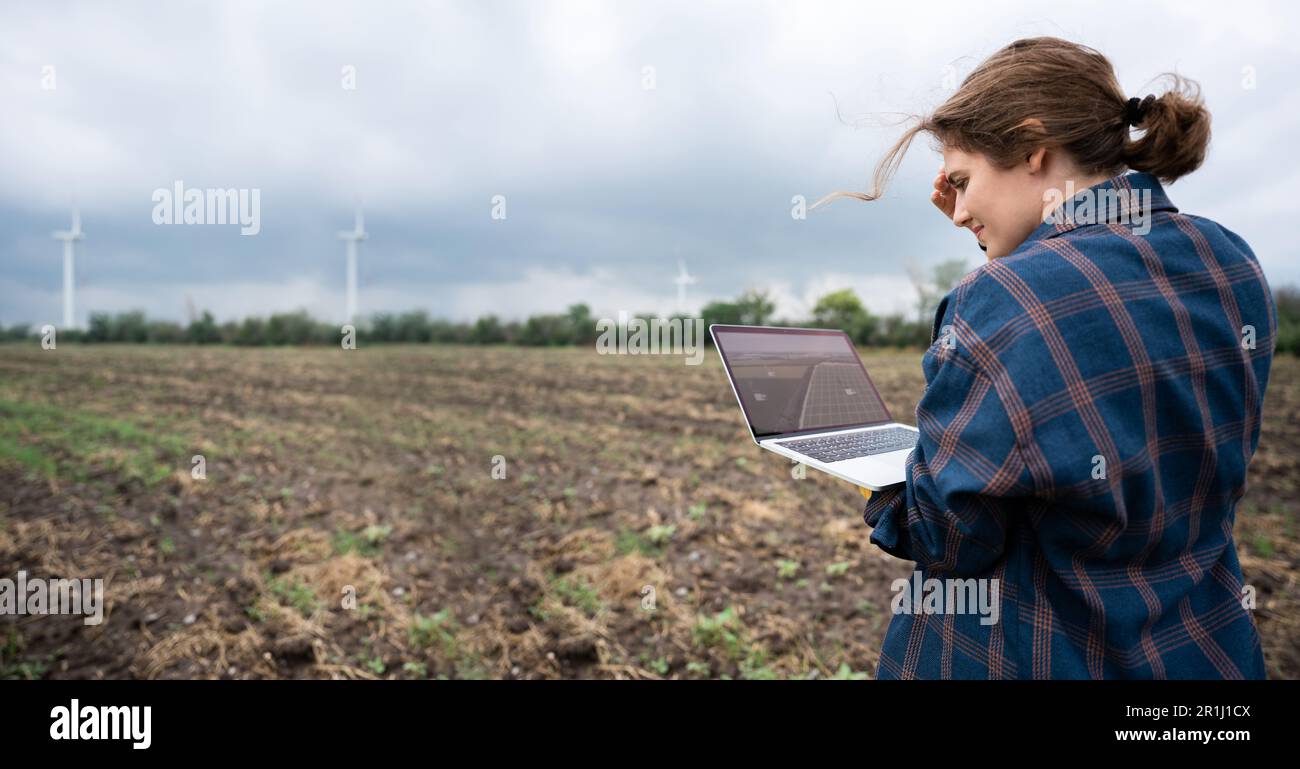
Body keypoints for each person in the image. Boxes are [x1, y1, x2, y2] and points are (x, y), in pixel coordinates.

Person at [814, 37, 1276, 679]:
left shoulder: (1005, 296)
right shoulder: (1230, 258)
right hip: (1203, 656)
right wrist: (1007, 249)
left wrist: (886, 484)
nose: (958, 211)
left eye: (962, 181)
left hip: (1034, 654)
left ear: (1034, 147)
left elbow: (949, 534)